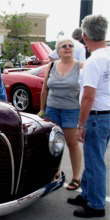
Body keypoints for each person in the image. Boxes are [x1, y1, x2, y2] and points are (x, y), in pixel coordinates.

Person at [68, 15, 110, 218]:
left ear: (84, 36)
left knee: (94, 161)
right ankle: (86, 193)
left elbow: (88, 97)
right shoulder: (108, 55)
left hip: (97, 116)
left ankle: (96, 204)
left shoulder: (94, 61)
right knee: (95, 157)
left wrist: (81, 125)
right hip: (107, 115)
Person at [39, 37, 83, 191]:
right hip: (52, 109)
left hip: (71, 110)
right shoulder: (51, 65)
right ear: (58, 50)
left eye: (70, 46)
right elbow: (45, 89)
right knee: (52, 145)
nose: (68, 48)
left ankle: (76, 177)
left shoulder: (80, 66)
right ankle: (53, 173)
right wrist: (42, 109)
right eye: (64, 46)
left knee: (72, 144)